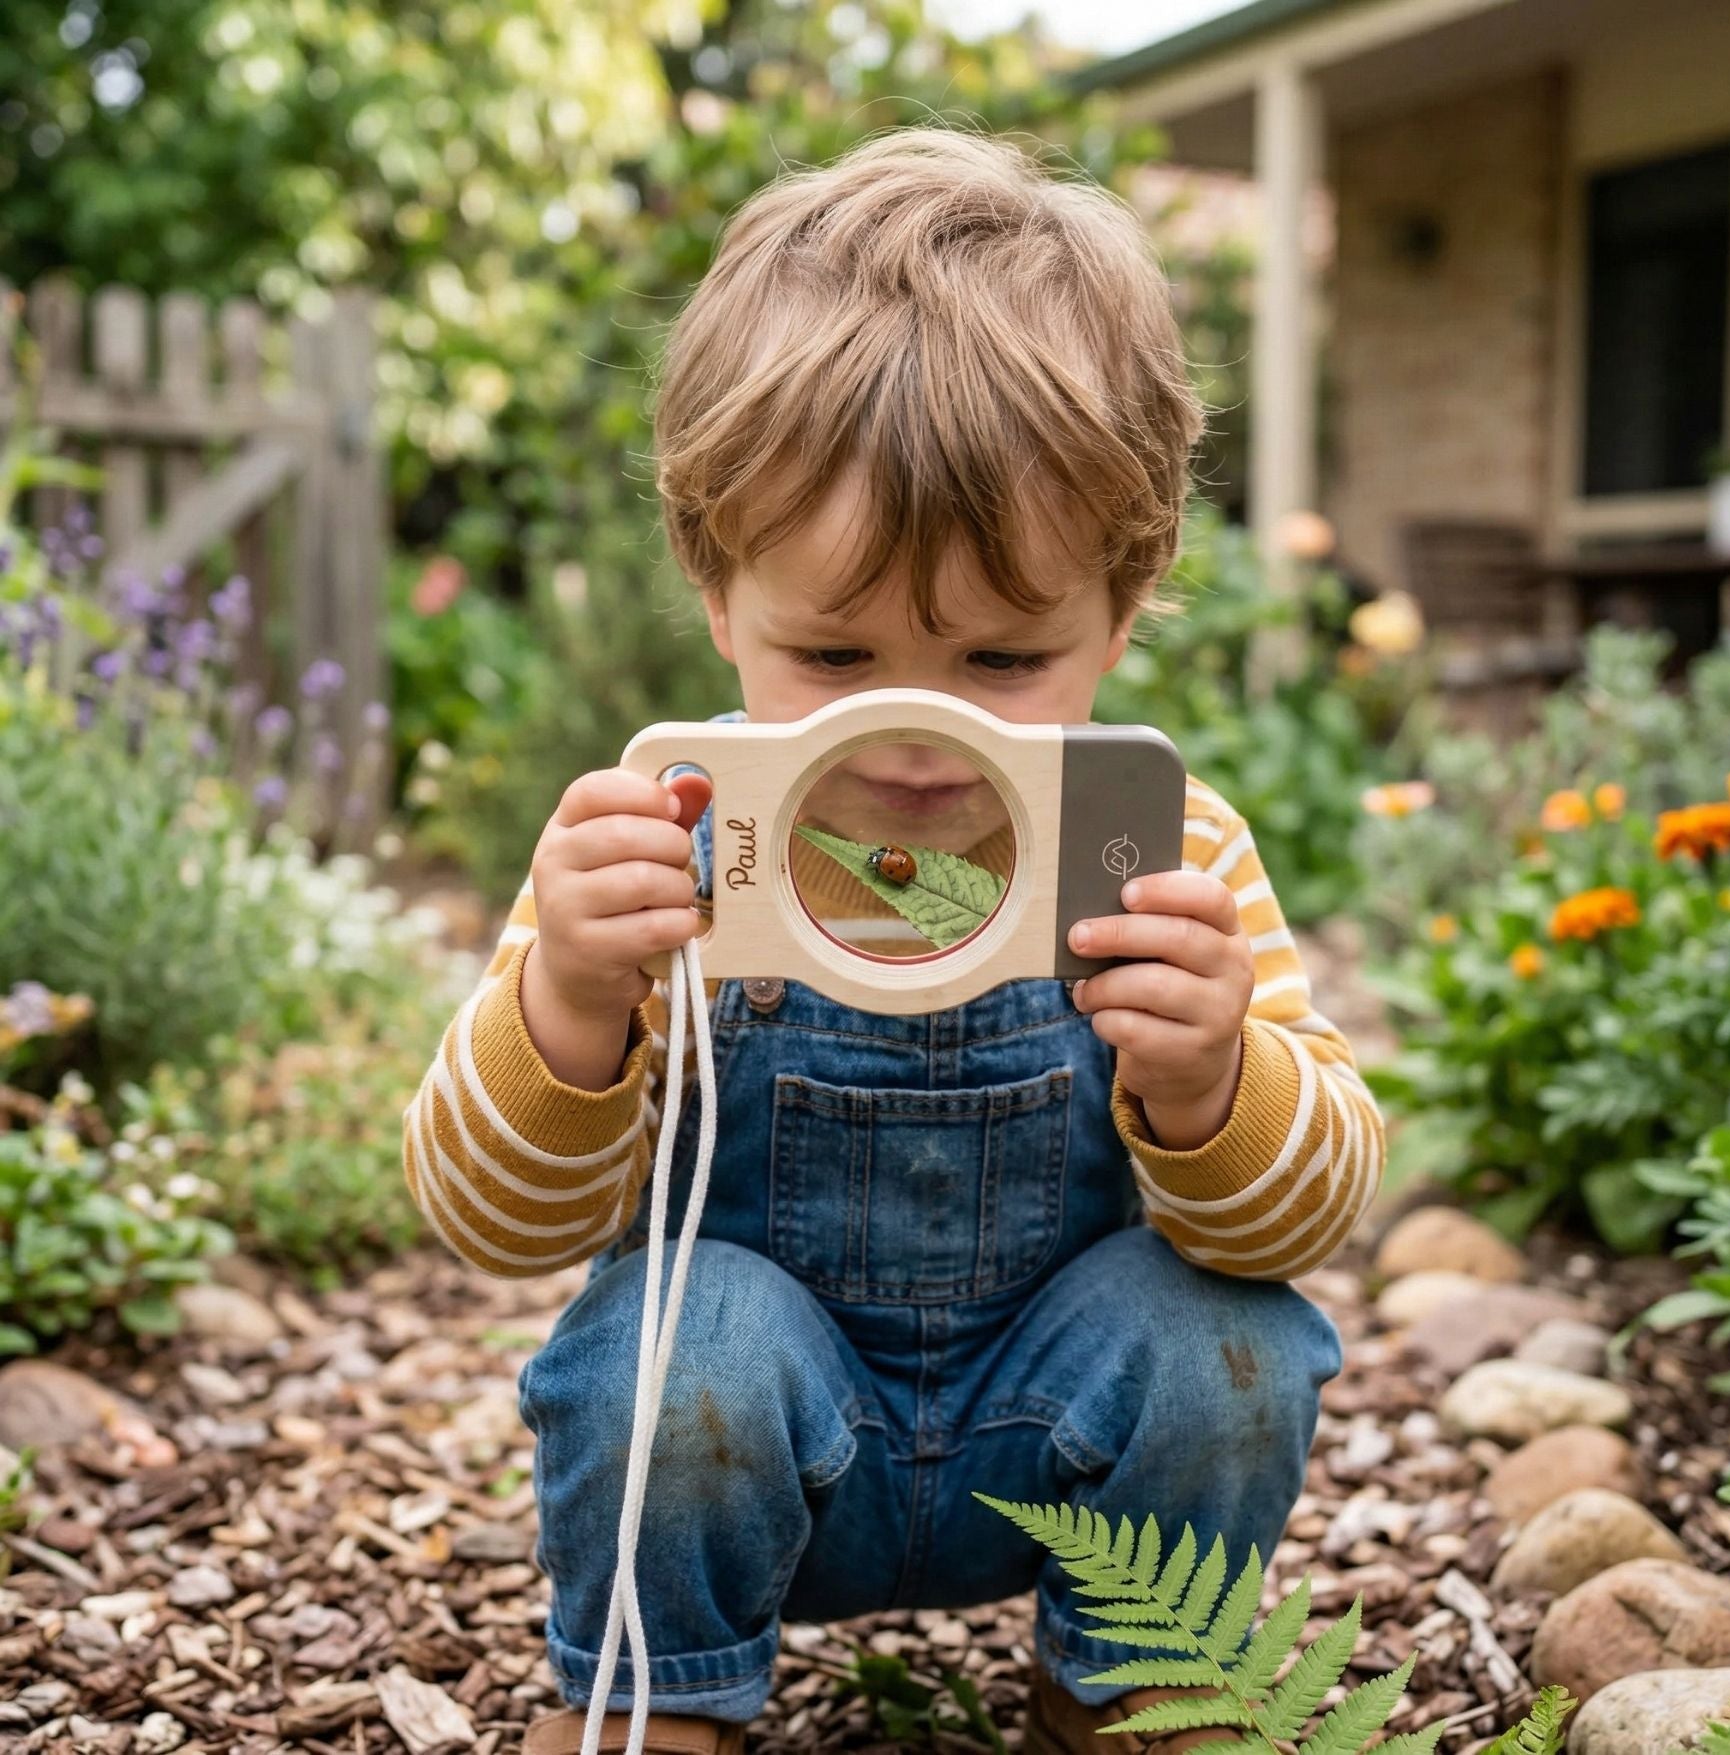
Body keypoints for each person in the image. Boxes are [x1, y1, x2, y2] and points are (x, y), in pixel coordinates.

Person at [404, 126, 1378, 1755]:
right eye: (836, 650)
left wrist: (1214, 1081)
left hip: (1061, 1466)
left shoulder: (1167, 844)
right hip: (757, 1448)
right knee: (666, 1335)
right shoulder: (671, 835)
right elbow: (486, 1221)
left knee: (1232, 1336)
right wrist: (574, 997)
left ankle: (1133, 1688)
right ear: (719, 595)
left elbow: (1320, 1208)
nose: (916, 736)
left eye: (1002, 659)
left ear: (1123, 608)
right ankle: (668, 1710)